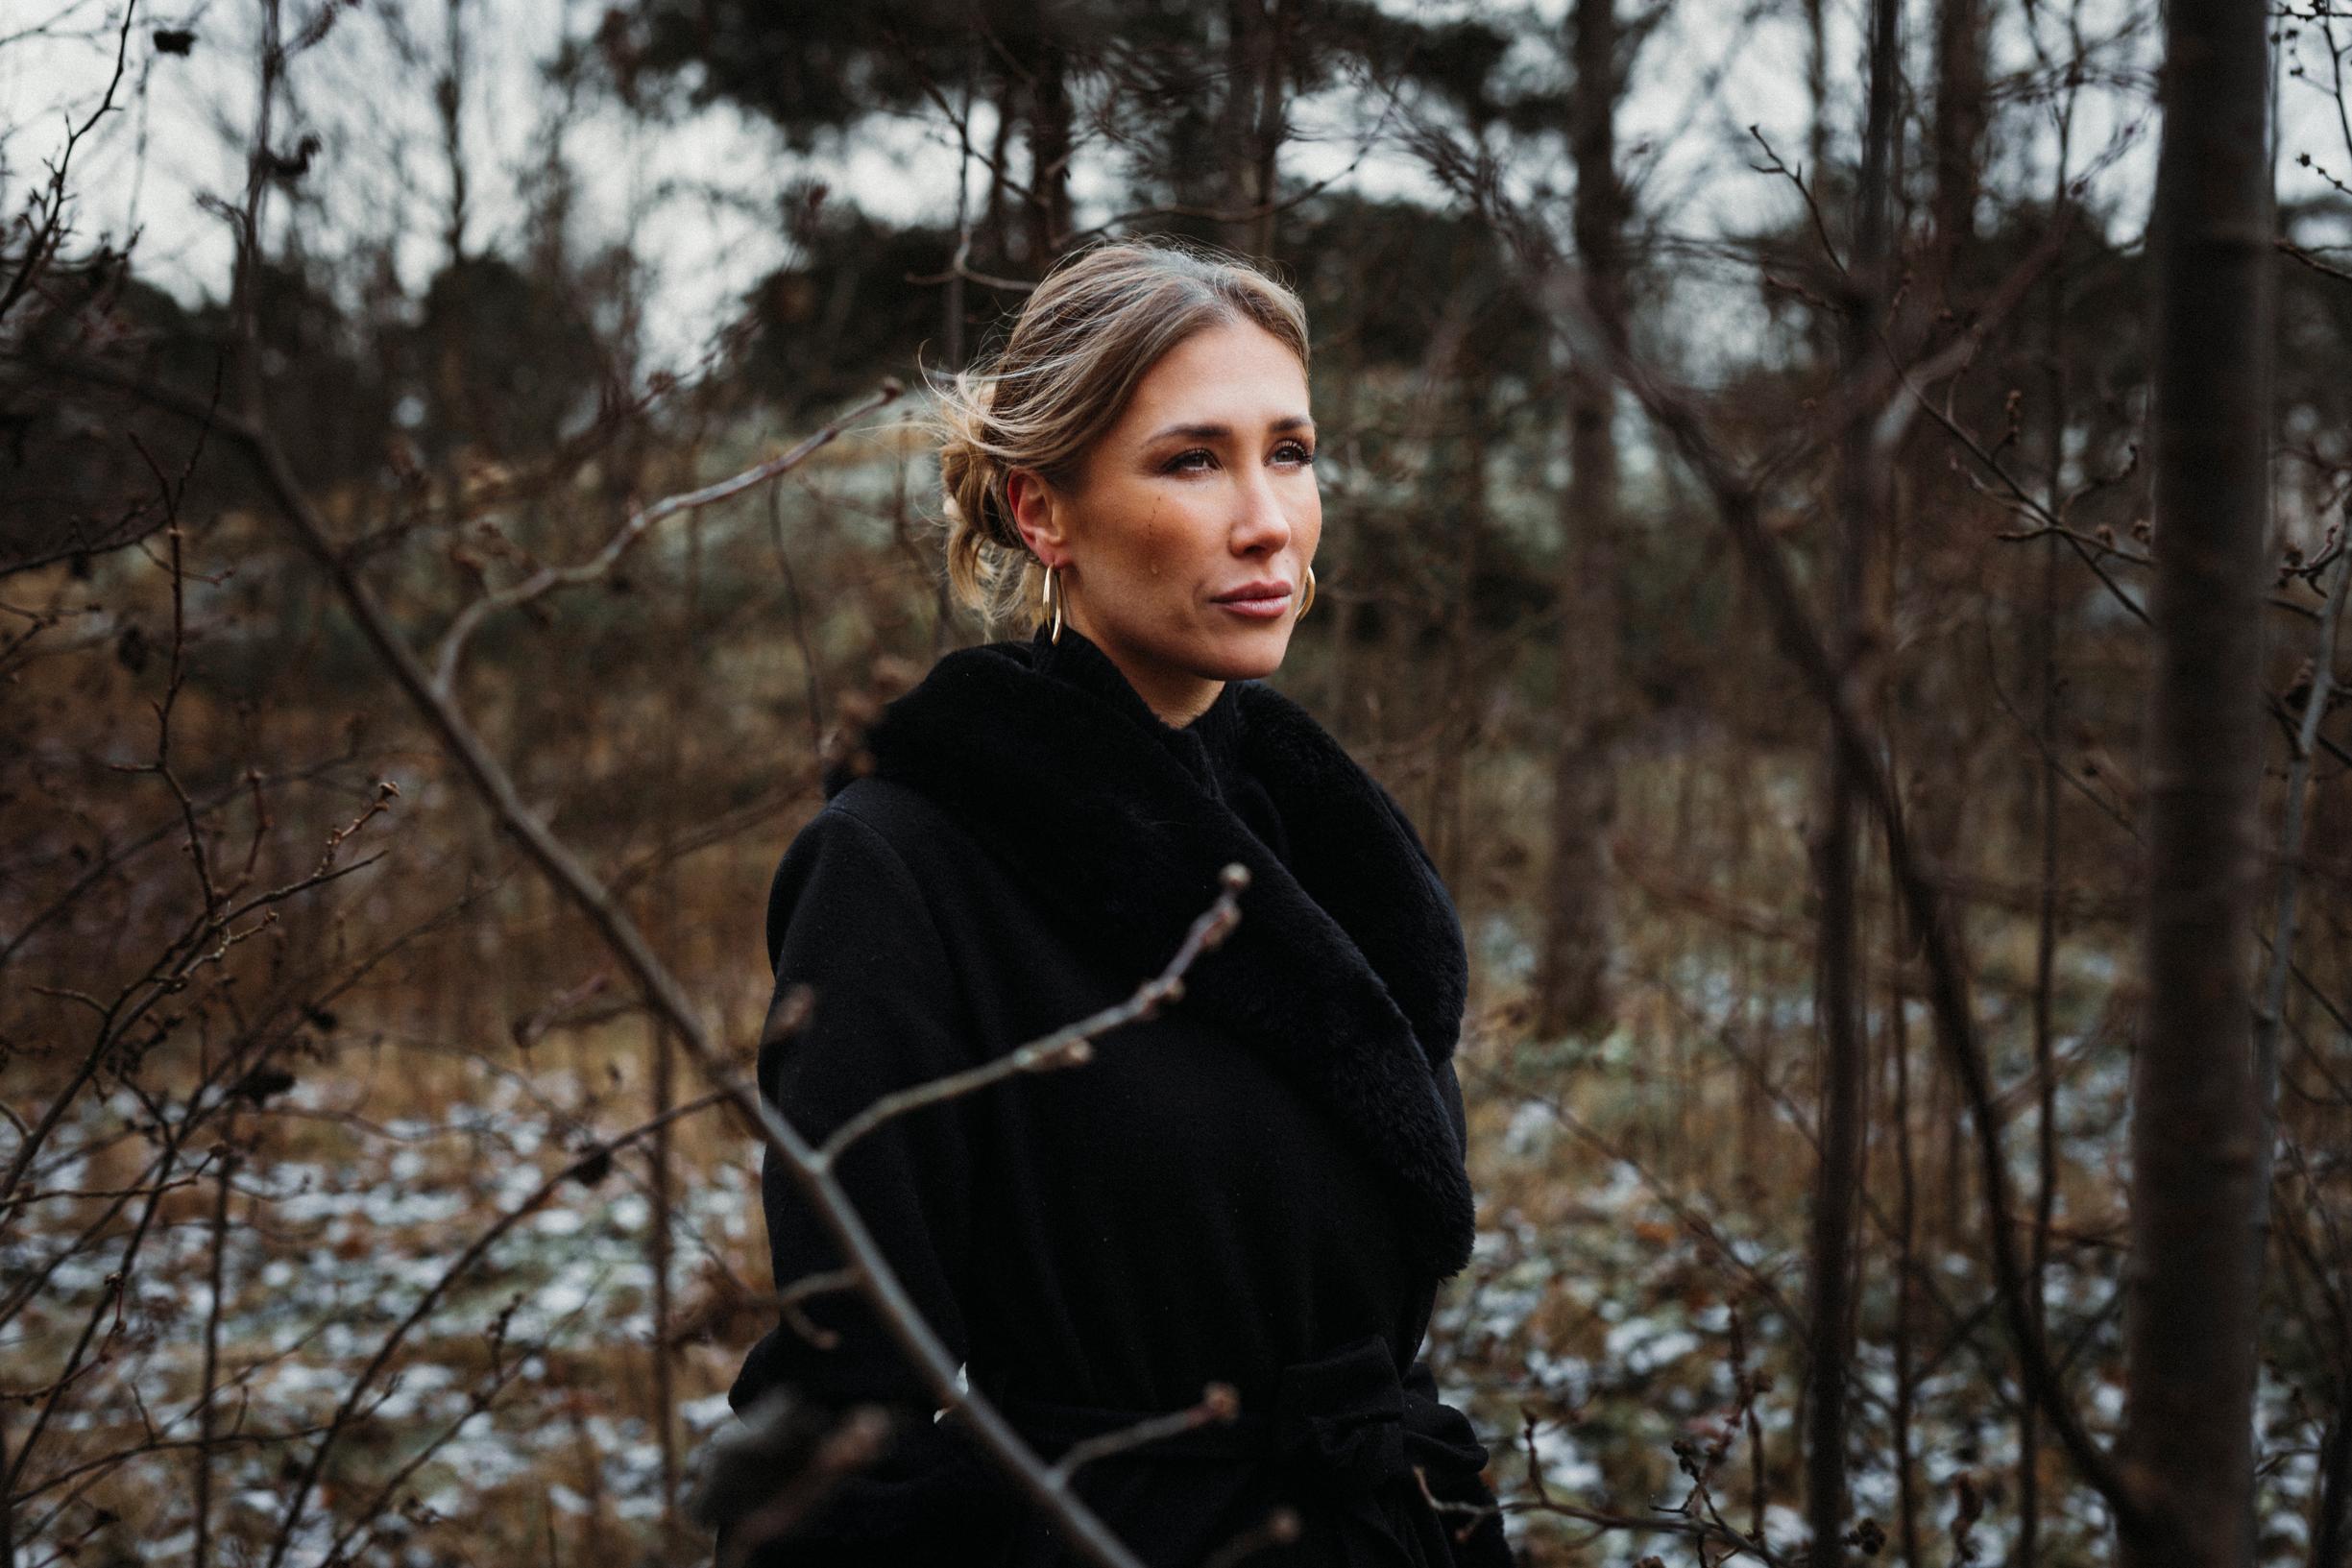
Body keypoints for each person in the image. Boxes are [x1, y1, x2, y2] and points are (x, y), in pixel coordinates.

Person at [707, 237, 1512, 1567]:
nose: (1267, 519)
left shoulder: (1328, 842)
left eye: (1291, 452)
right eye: (1192, 461)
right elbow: (846, 1404)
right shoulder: (905, 863)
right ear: (1043, 514)